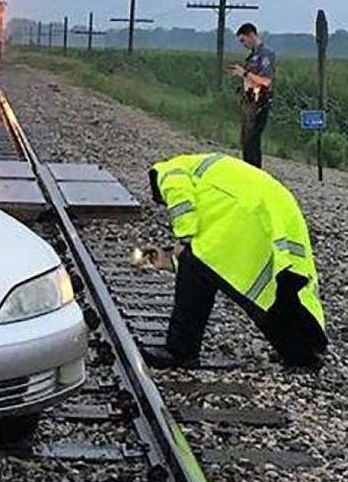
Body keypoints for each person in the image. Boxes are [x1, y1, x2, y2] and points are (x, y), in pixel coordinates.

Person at [140, 151, 327, 370]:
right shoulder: (205, 170)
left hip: (244, 215)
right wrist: (171, 260)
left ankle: (180, 351)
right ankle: (301, 354)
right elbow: (208, 239)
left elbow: (180, 197)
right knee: (272, 292)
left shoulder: (167, 170)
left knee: (195, 269)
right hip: (274, 208)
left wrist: (183, 236)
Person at [230, 23, 275, 168]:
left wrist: (244, 73)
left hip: (259, 101)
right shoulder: (253, 56)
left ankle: (254, 171)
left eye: (243, 40)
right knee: (246, 141)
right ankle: (248, 170)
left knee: (252, 141)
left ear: (251, 35)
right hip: (249, 101)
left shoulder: (265, 54)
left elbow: (266, 81)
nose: (243, 45)